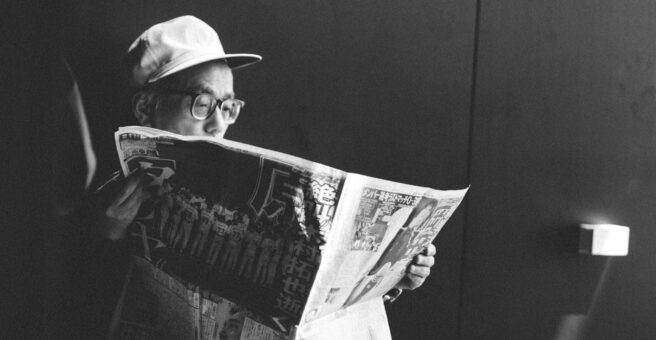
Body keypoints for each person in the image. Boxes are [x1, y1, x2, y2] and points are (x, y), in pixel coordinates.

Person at [95, 12, 434, 319]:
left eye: (227, 107)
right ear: (145, 107)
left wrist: (389, 277)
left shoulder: (247, 184)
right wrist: (108, 233)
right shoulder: (104, 188)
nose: (217, 126)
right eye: (201, 104)